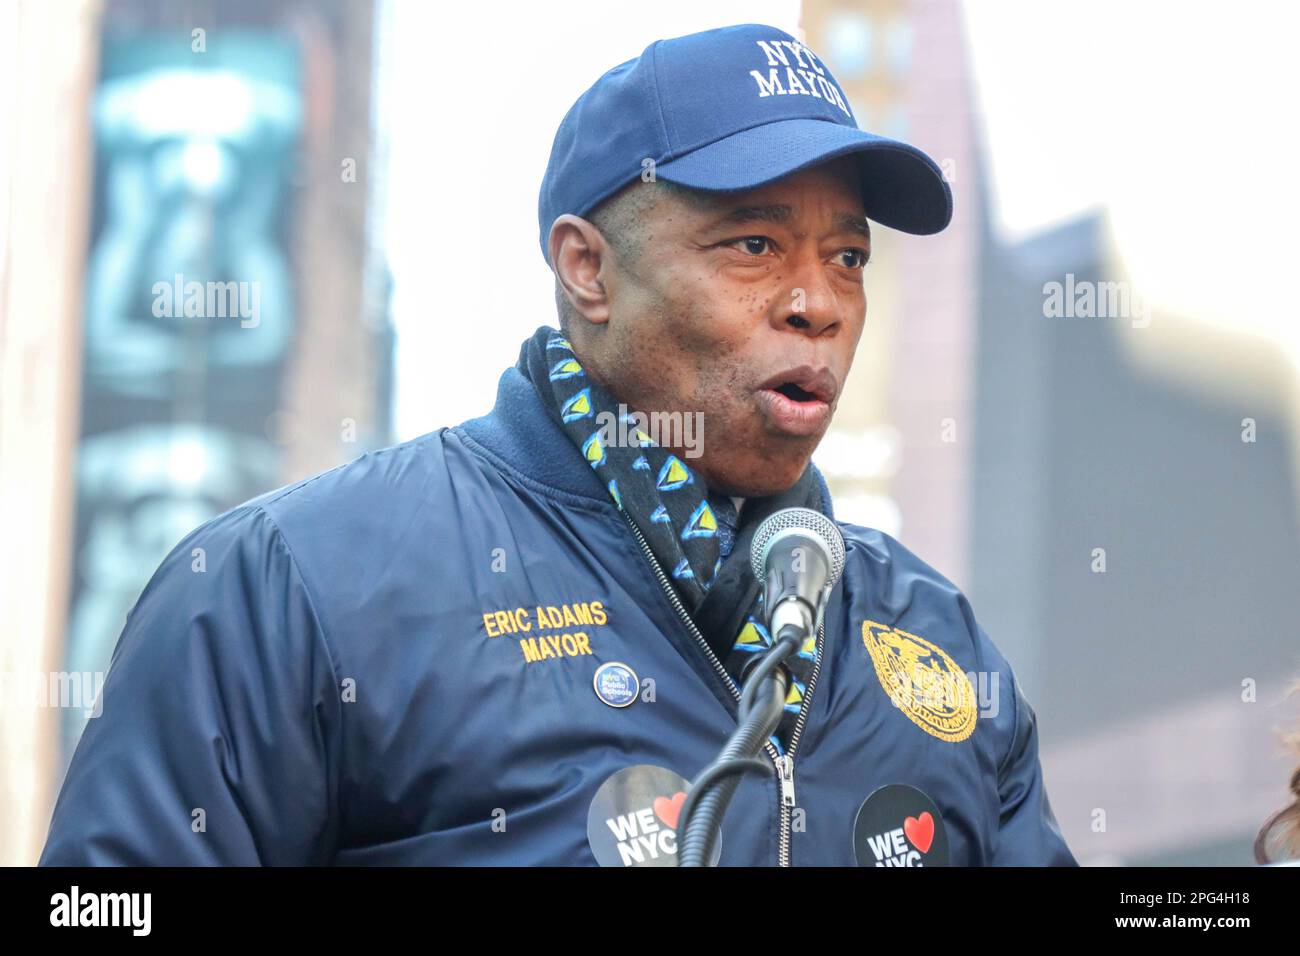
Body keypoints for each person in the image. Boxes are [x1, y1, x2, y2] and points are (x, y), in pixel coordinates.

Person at [40, 22, 1076, 866]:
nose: (818, 303)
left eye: (847, 255)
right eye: (753, 245)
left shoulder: (931, 632)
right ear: (587, 269)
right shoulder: (287, 585)